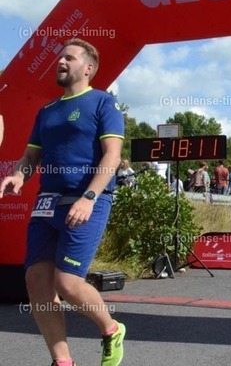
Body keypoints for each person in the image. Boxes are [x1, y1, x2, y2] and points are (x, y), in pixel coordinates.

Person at [0, 39, 125, 366]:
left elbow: (112, 156)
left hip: (86, 201)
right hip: (46, 204)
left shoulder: (103, 103)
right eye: (59, 58)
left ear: (88, 68)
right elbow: (30, 157)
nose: (61, 62)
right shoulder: (47, 111)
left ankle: (111, 329)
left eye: (69, 58)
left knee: (68, 283)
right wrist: (19, 176)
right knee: (36, 280)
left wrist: (89, 197)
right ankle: (62, 361)